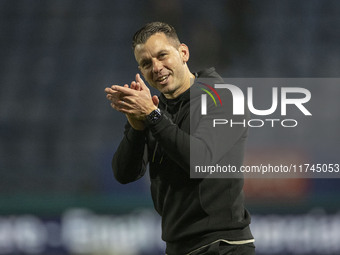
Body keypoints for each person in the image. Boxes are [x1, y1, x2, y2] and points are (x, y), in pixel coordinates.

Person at [105, 22, 255, 255]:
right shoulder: (156, 110)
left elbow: (199, 160)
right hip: (178, 248)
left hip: (222, 245)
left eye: (162, 55)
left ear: (183, 53)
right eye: (146, 63)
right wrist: (136, 126)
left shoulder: (222, 97)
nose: (156, 67)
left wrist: (153, 116)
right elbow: (125, 174)